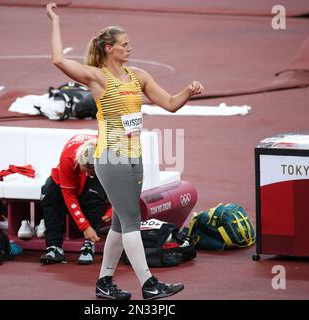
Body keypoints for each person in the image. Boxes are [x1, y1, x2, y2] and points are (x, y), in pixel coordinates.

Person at [46, 3, 204, 300]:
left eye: (130, 44)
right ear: (109, 49)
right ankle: (148, 284)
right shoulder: (98, 77)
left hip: (134, 158)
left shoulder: (138, 76)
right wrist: (54, 20)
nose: (129, 49)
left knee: (120, 223)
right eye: (124, 45)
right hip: (111, 158)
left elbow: (169, 103)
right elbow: (57, 59)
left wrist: (188, 91)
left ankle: (104, 283)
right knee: (132, 221)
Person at [40, 134, 112, 265]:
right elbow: (69, 195)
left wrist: (112, 211)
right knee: (49, 192)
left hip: (99, 172)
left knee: (94, 194)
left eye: (91, 171)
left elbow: (125, 187)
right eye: (86, 170)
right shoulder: (68, 158)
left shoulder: (112, 155)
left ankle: (89, 244)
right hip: (67, 175)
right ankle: (54, 247)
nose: (88, 174)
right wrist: (84, 227)